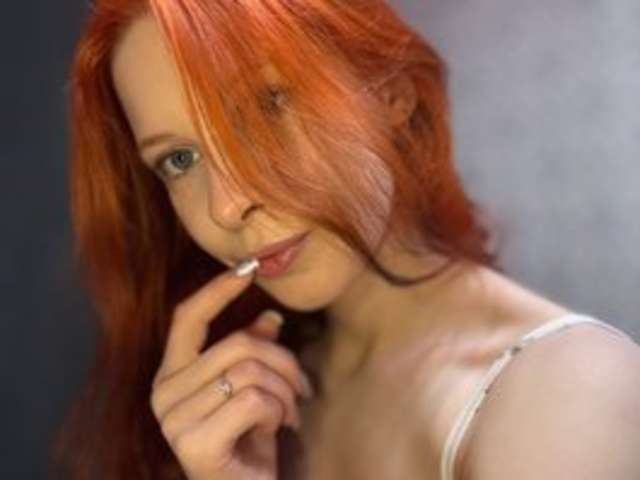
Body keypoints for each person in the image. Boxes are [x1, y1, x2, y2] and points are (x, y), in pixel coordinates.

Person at [51, 1, 640, 479]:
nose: (226, 205)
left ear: (391, 96)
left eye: (266, 107)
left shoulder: (568, 392)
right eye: (180, 159)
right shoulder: (240, 401)